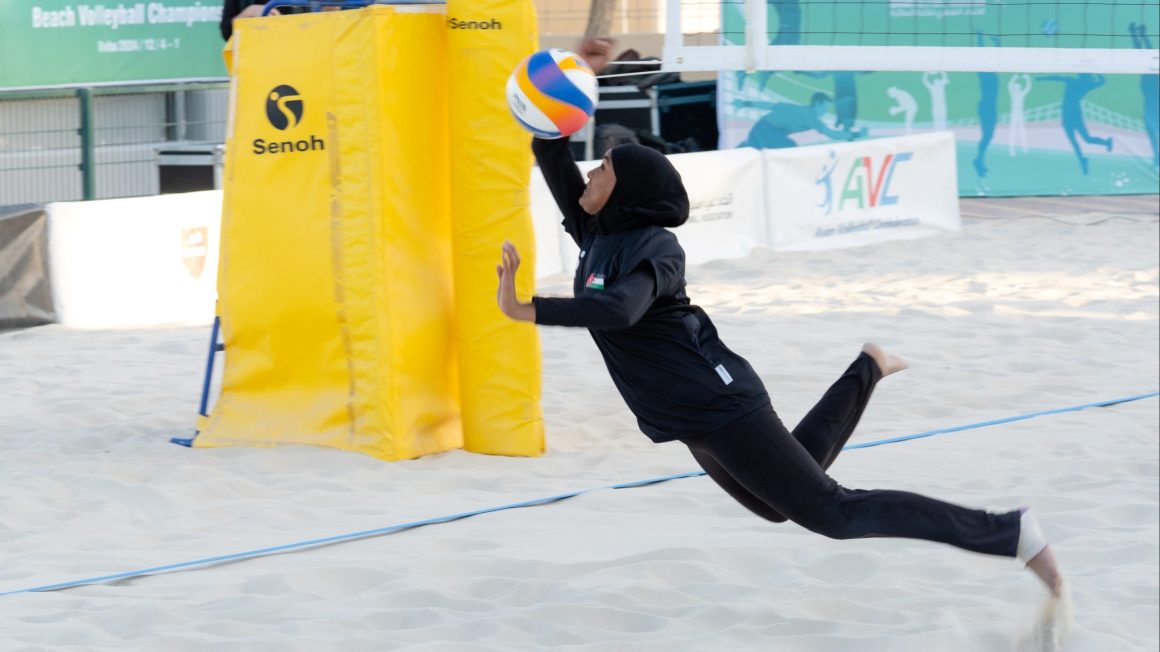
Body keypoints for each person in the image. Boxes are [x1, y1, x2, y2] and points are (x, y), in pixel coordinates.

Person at [495, 37, 1066, 602]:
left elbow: (620, 311)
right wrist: (579, 80)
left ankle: (1009, 532)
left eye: (606, 168)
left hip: (718, 402)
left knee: (832, 513)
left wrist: (528, 309)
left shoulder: (656, 247)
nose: (590, 172)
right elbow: (550, 151)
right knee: (777, 506)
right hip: (689, 415)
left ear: (630, 193)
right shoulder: (597, 230)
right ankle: (867, 366)